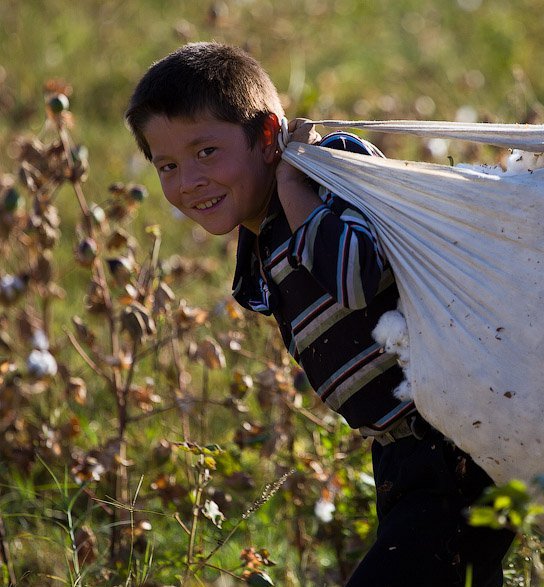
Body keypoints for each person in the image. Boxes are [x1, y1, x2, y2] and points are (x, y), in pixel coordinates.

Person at [125, 42, 514, 586]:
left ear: (267, 137)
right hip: (401, 456)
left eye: (206, 152)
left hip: (452, 446)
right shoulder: (262, 241)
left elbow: (357, 278)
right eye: (167, 165)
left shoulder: (332, 180)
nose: (187, 181)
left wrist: (293, 183)